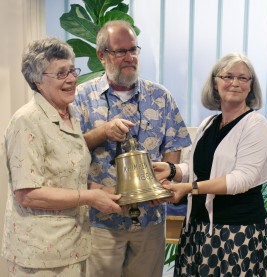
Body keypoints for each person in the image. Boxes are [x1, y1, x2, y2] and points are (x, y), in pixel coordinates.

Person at [73, 20, 191, 277]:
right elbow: (69, 152)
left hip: (151, 221)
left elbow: (173, 148)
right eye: (120, 51)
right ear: (101, 55)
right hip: (101, 222)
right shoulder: (81, 97)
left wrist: (167, 179)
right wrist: (101, 132)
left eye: (133, 50)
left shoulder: (160, 97)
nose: (129, 57)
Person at [1, 37, 122, 277]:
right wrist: (90, 197)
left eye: (72, 70)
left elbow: (63, 176)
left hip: (72, 246)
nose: (71, 79)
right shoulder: (27, 121)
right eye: (61, 74)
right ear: (37, 81)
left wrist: (98, 189)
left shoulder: (69, 113)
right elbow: (28, 193)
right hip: (40, 256)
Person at [153, 52, 267, 276]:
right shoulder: (209, 123)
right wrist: (171, 170)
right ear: (215, 83)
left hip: (237, 231)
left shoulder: (256, 125)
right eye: (228, 76)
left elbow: (242, 179)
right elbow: (196, 170)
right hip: (198, 227)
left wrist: (189, 188)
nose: (235, 83)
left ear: (251, 86)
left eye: (243, 78)